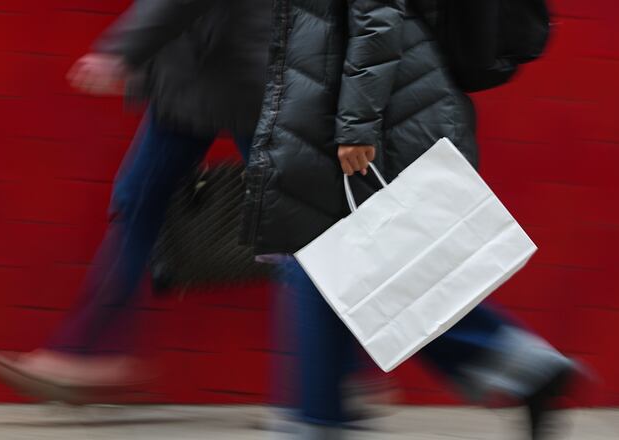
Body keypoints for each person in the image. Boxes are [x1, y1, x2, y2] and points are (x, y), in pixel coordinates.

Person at [240, 1, 579, 439]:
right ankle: (519, 363)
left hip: (366, 106)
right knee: (338, 258)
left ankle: (318, 419)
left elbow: (377, 13)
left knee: (319, 251)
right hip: (341, 93)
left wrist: (357, 124)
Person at [0, 0, 271, 403]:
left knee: (286, 217)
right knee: (144, 200)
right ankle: (88, 350)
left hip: (225, 67)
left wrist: (122, 50)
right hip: (219, 67)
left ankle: (88, 352)